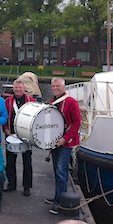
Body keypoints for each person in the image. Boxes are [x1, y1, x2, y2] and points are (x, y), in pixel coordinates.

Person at [45, 77, 81, 215]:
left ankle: (59, 202)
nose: (55, 88)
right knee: (56, 170)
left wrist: (65, 139)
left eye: (57, 86)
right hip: (55, 142)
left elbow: (77, 123)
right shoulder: (52, 102)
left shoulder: (71, 102)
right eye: (53, 86)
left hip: (66, 143)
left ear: (64, 87)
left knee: (61, 171)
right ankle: (57, 195)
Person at [3, 79, 35, 195]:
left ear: (24, 89)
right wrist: (5, 128)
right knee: (10, 161)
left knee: (27, 162)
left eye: (20, 88)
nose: (17, 89)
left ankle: (27, 187)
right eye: (16, 87)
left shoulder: (31, 101)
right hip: (11, 134)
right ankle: (11, 184)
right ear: (13, 88)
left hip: (26, 136)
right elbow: (4, 115)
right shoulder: (8, 101)